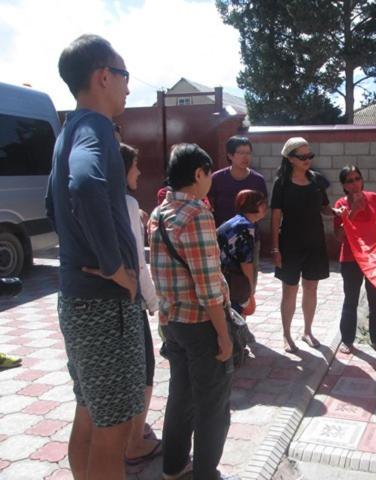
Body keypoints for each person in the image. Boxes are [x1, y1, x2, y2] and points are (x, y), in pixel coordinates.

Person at [45, 34, 144, 480]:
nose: (127, 87)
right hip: (105, 305)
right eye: (124, 76)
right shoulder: (98, 128)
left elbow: (54, 205)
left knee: (90, 413)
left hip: (77, 299)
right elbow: (84, 186)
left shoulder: (67, 130)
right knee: (115, 429)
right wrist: (114, 267)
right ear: (104, 76)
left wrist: (81, 251)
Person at [148, 143, 235, 480]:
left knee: (181, 396)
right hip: (201, 326)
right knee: (213, 405)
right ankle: (205, 473)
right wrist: (224, 336)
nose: (210, 180)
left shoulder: (159, 213)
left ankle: (173, 467)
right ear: (198, 174)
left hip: (173, 322)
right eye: (209, 173)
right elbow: (209, 286)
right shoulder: (197, 215)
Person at [271, 137, 338, 353]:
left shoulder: (317, 181)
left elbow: (325, 209)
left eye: (310, 155)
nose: (307, 159)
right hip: (290, 244)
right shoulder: (281, 183)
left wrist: (337, 212)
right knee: (289, 291)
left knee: (311, 287)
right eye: (302, 156)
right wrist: (275, 248)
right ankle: (286, 334)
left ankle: (307, 331)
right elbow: (275, 217)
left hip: (315, 243)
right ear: (290, 158)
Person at [119, 143, 162, 465]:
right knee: (145, 369)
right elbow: (138, 260)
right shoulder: (127, 205)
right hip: (128, 298)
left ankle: (127, 432)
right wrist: (153, 301)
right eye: (134, 166)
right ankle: (134, 442)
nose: (139, 172)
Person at [333, 165, 376, 355]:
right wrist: (351, 213)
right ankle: (347, 340)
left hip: (374, 259)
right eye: (349, 181)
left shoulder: (374, 198)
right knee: (350, 300)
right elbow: (338, 236)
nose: (355, 183)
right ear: (344, 185)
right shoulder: (340, 205)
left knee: (375, 300)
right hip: (351, 260)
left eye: (357, 178)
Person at [217, 190, 268, 315]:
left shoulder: (236, 221)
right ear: (254, 205)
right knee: (234, 317)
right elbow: (246, 263)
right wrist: (250, 293)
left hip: (221, 275)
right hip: (232, 281)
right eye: (262, 204)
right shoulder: (246, 227)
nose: (266, 207)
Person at [209, 136, 268, 227]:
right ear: (230, 155)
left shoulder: (258, 180)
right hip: (222, 234)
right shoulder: (217, 178)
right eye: (241, 153)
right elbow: (209, 206)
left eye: (248, 153)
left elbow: (263, 209)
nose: (245, 157)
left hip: (249, 234)